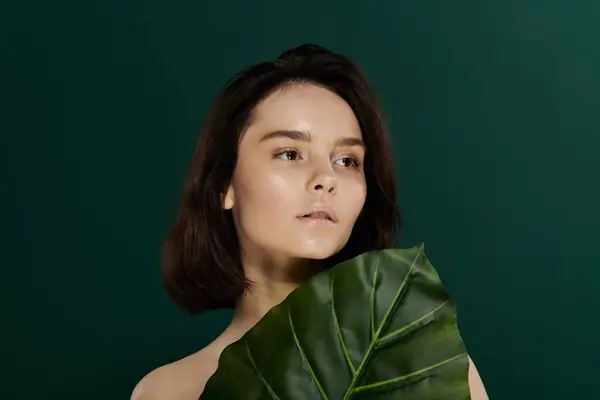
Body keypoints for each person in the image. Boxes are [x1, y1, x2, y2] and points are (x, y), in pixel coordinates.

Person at [131, 44, 488, 400]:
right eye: (290, 153)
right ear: (225, 184)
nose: (326, 177)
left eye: (347, 161)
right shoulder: (167, 391)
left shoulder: (427, 363)